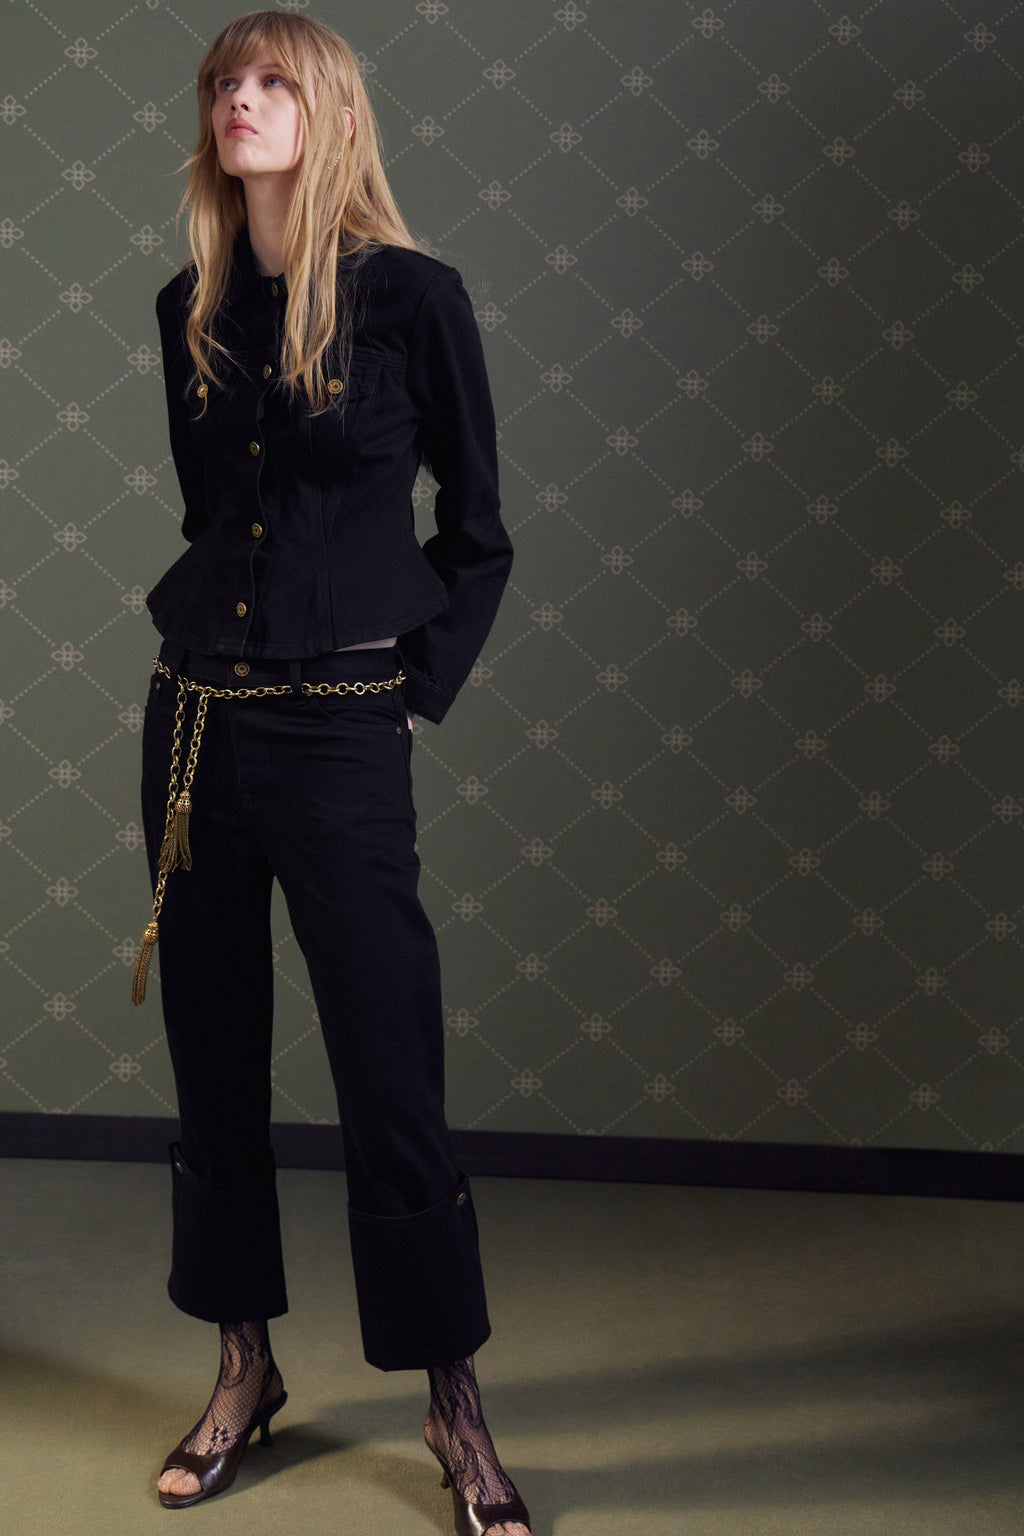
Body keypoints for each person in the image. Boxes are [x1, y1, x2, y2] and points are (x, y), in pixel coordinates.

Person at [134, 12, 528, 1534]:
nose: (238, 101)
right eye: (223, 85)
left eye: (270, 83)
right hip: (192, 721)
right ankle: (245, 1369)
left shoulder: (417, 299)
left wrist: (405, 694)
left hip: (342, 728)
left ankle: (453, 1403)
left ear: (333, 114)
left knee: (387, 1063)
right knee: (211, 1054)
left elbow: (477, 532)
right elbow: (215, 521)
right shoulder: (190, 306)